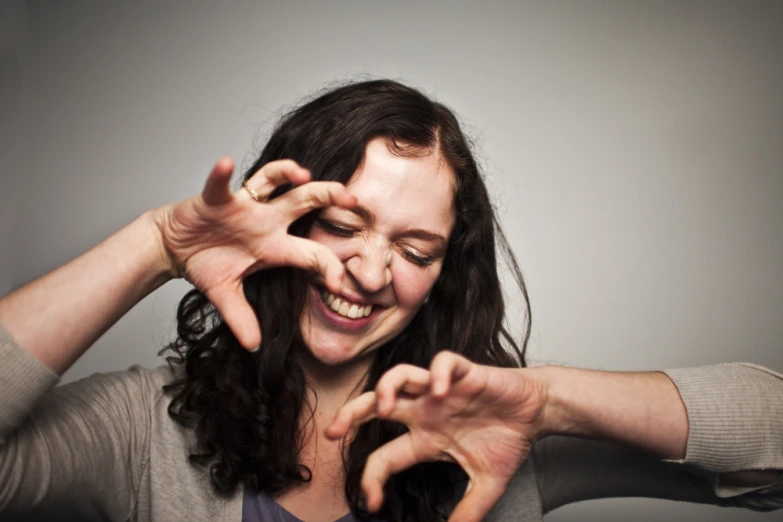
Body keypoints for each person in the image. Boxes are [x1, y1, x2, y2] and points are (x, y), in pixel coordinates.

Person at [0, 79, 781, 522]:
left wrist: (548, 399)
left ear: (446, 271)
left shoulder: (495, 429)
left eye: (415, 252)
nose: (371, 273)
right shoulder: (145, 430)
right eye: (341, 226)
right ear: (279, 218)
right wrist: (155, 247)